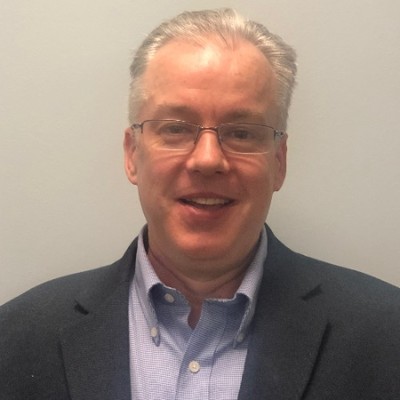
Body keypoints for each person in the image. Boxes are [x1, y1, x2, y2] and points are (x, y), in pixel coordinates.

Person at [0, 8, 399, 400]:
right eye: (175, 129)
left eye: (242, 133)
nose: (208, 160)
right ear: (132, 154)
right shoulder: (15, 338)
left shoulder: (386, 336)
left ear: (278, 162)